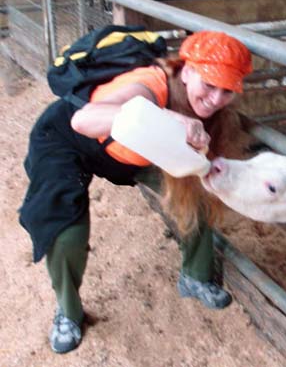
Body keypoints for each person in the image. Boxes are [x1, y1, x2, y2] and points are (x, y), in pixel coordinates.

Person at [19, 30, 253, 354]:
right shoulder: (149, 84)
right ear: (186, 71)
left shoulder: (210, 113)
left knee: (197, 189)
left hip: (132, 152)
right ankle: (68, 312)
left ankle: (196, 276)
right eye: (209, 85)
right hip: (69, 141)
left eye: (227, 91)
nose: (215, 99)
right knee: (65, 228)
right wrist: (161, 116)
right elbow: (84, 121)